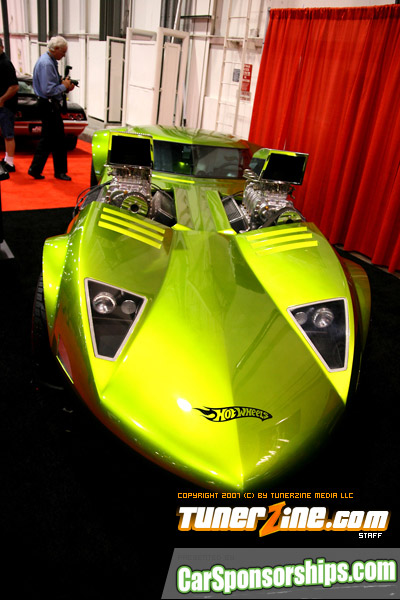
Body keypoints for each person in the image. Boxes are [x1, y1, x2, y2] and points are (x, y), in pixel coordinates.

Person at [28, 35, 74, 181]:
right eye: (63, 52)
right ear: (55, 49)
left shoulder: (49, 61)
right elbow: (48, 90)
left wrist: (64, 85)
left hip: (47, 104)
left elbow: (51, 84)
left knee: (48, 139)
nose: (64, 55)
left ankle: (36, 169)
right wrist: (64, 86)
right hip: (48, 105)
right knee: (57, 139)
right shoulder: (47, 64)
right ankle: (58, 171)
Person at [0, 38, 19, 173]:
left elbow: (14, 87)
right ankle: (7, 158)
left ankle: (10, 163)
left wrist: (2, 99)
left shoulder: (6, 63)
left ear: (1, 47)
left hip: (6, 106)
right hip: (2, 105)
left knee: (8, 134)